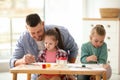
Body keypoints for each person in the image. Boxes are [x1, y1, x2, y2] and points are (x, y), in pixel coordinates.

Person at [9, 13, 78, 80]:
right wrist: (23, 60)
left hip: (59, 75)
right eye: (33, 33)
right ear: (27, 28)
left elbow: (74, 49)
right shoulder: (23, 38)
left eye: (39, 31)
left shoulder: (61, 32)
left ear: (43, 24)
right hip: (39, 75)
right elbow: (12, 62)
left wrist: (67, 72)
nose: (37, 36)